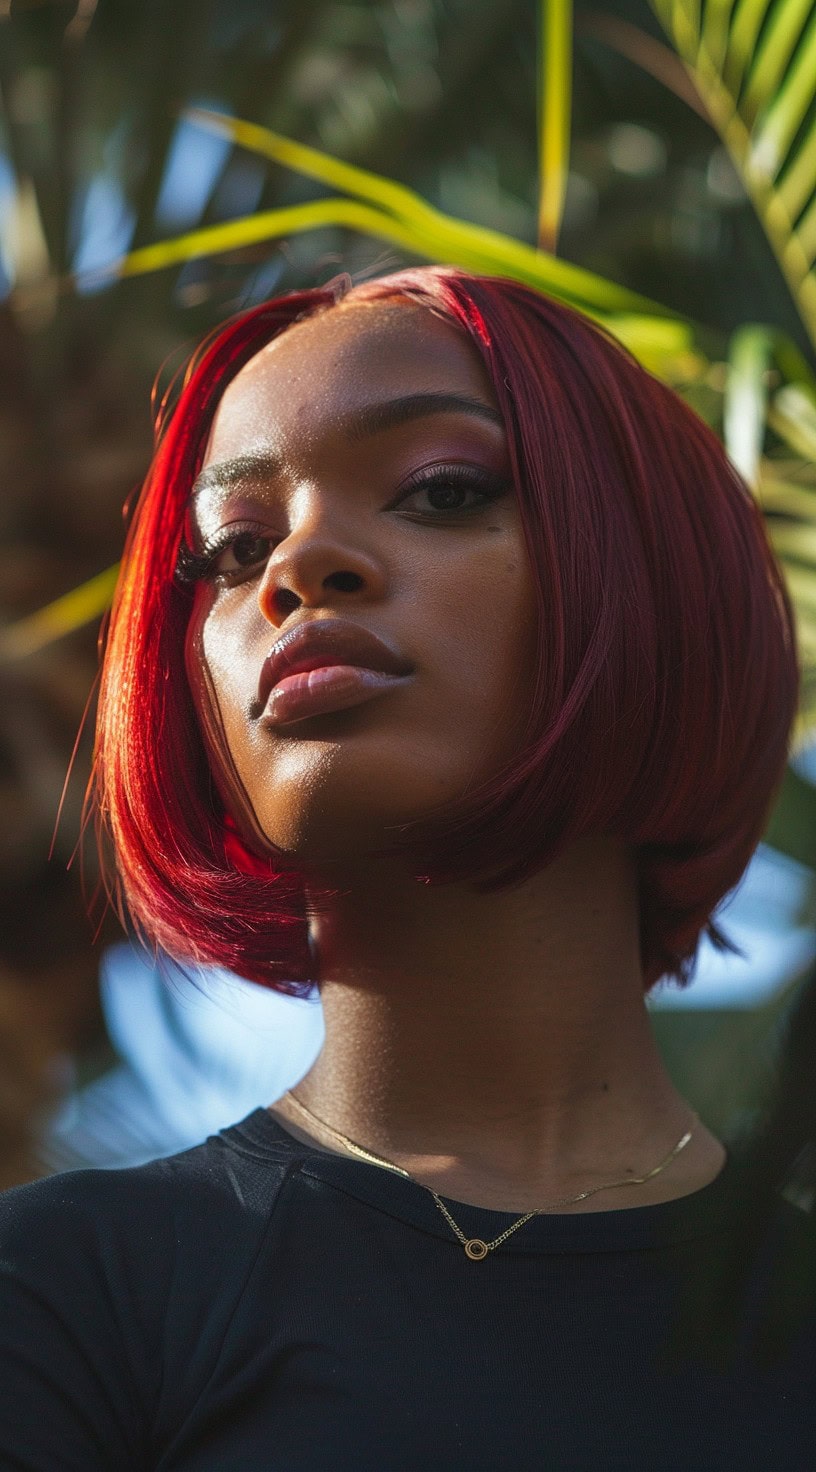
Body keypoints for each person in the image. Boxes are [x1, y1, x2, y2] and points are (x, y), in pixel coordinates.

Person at [0, 264, 811, 1468]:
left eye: (440, 489)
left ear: (650, 565)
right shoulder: (63, 1298)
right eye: (232, 547)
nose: (297, 566)